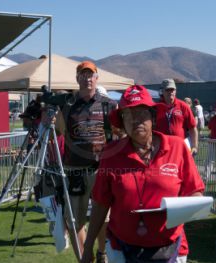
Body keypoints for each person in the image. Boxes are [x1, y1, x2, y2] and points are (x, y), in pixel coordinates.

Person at [81, 85, 204, 263]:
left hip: (171, 247)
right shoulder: (111, 154)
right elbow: (100, 203)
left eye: (141, 113)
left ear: (153, 118)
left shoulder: (177, 148)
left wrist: (182, 210)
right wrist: (88, 246)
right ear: (122, 122)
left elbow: (195, 192)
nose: (135, 120)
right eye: (128, 115)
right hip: (121, 249)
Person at [45, 61, 117, 262]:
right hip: (74, 170)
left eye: (90, 74)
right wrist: (49, 120)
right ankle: (86, 259)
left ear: (96, 78)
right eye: (83, 75)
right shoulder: (67, 106)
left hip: (100, 169)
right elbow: (56, 132)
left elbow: (117, 134)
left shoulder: (107, 104)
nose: (87, 78)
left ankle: (102, 253)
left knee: (104, 217)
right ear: (77, 78)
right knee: (73, 219)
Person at [156, 79, 198, 155]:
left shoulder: (183, 106)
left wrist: (194, 146)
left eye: (172, 89)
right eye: (168, 89)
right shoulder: (156, 107)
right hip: (161, 147)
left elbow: (192, 127)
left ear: (175, 91)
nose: (170, 92)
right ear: (162, 91)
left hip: (179, 147)